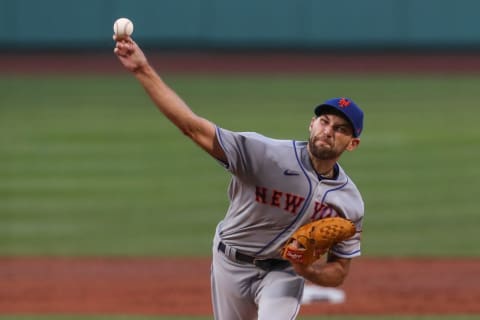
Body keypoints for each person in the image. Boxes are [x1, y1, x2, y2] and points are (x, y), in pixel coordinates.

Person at [113, 35, 364, 320]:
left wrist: (306, 269)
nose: (328, 131)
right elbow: (192, 127)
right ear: (312, 123)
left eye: (341, 129)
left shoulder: (349, 202)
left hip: (283, 273)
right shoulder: (264, 154)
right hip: (230, 262)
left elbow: (339, 272)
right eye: (324, 121)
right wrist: (141, 69)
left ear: (352, 144)